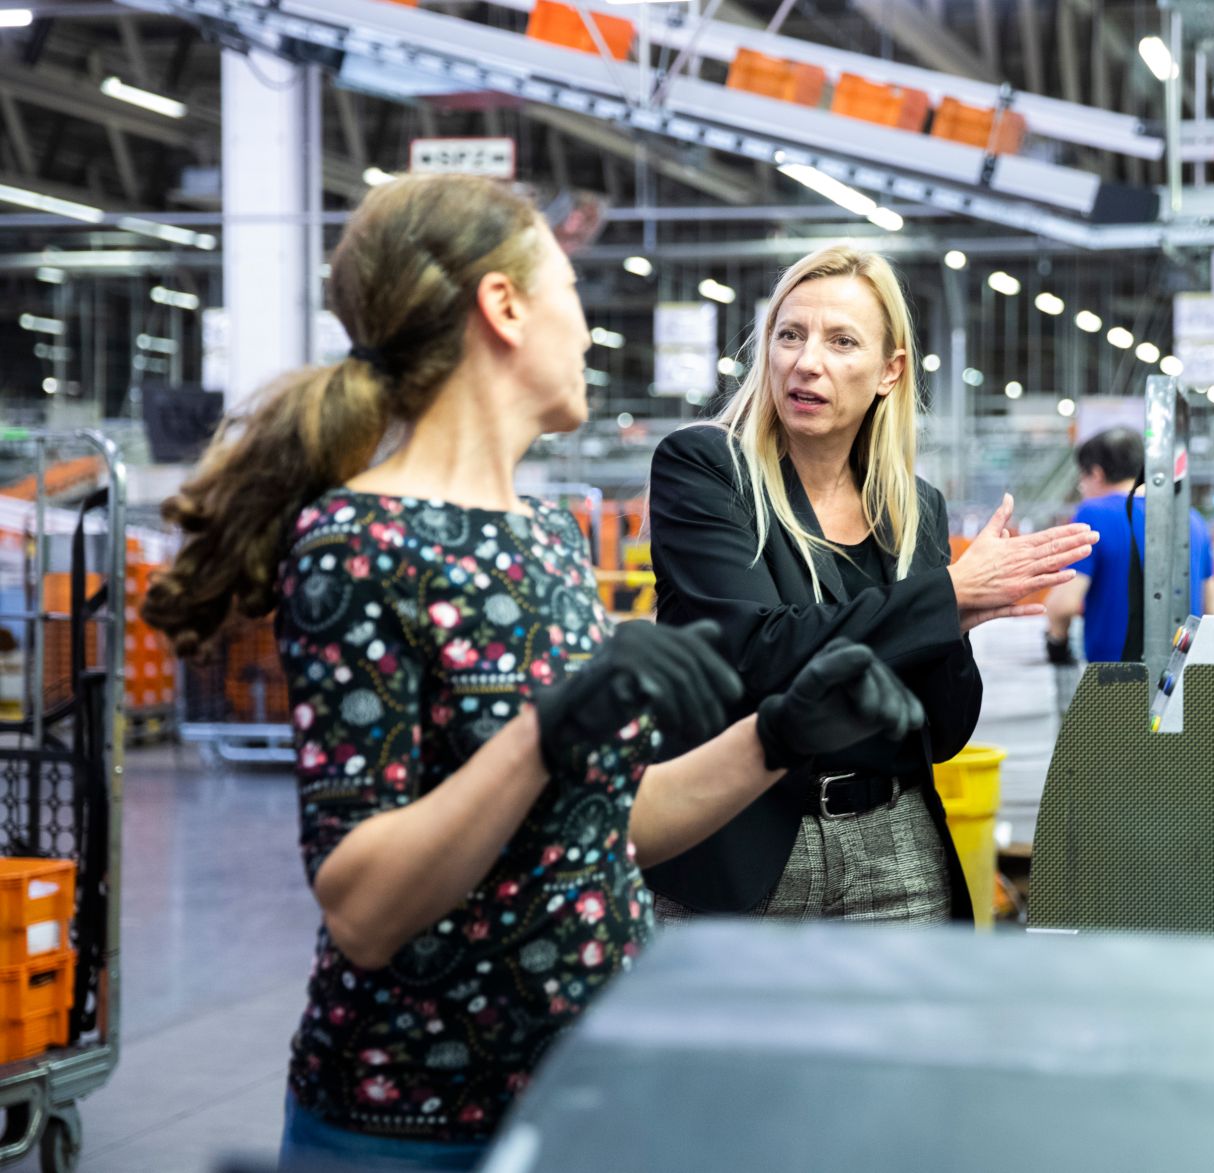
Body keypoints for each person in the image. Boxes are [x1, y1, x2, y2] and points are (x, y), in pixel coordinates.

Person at [141, 176, 926, 1170]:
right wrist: (544, 733)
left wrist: (773, 739)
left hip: (578, 1099)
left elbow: (604, 820)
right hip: (417, 1126)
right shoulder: (357, 544)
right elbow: (363, 910)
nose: (588, 330)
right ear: (504, 308)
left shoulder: (544, 536)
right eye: (571, 290)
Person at [643, 244, 1097, 922]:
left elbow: (941, 729)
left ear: (890, 371)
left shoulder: (913, 508)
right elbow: (752, 652)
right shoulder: (708, 468)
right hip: (742, 847)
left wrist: (953, 625)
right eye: (789, 335)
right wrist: (941, 600)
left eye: (841, 341)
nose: (807, 361)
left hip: (896, 849)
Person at [1044, 426, 1214, 665]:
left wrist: (1057, 643)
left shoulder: (1093, 515)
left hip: (1115, 675)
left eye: (1081, 480)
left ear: (1096, 473)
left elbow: (1063, 605)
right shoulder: (1192, 518)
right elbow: (1213, 609)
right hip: (1182, 673)